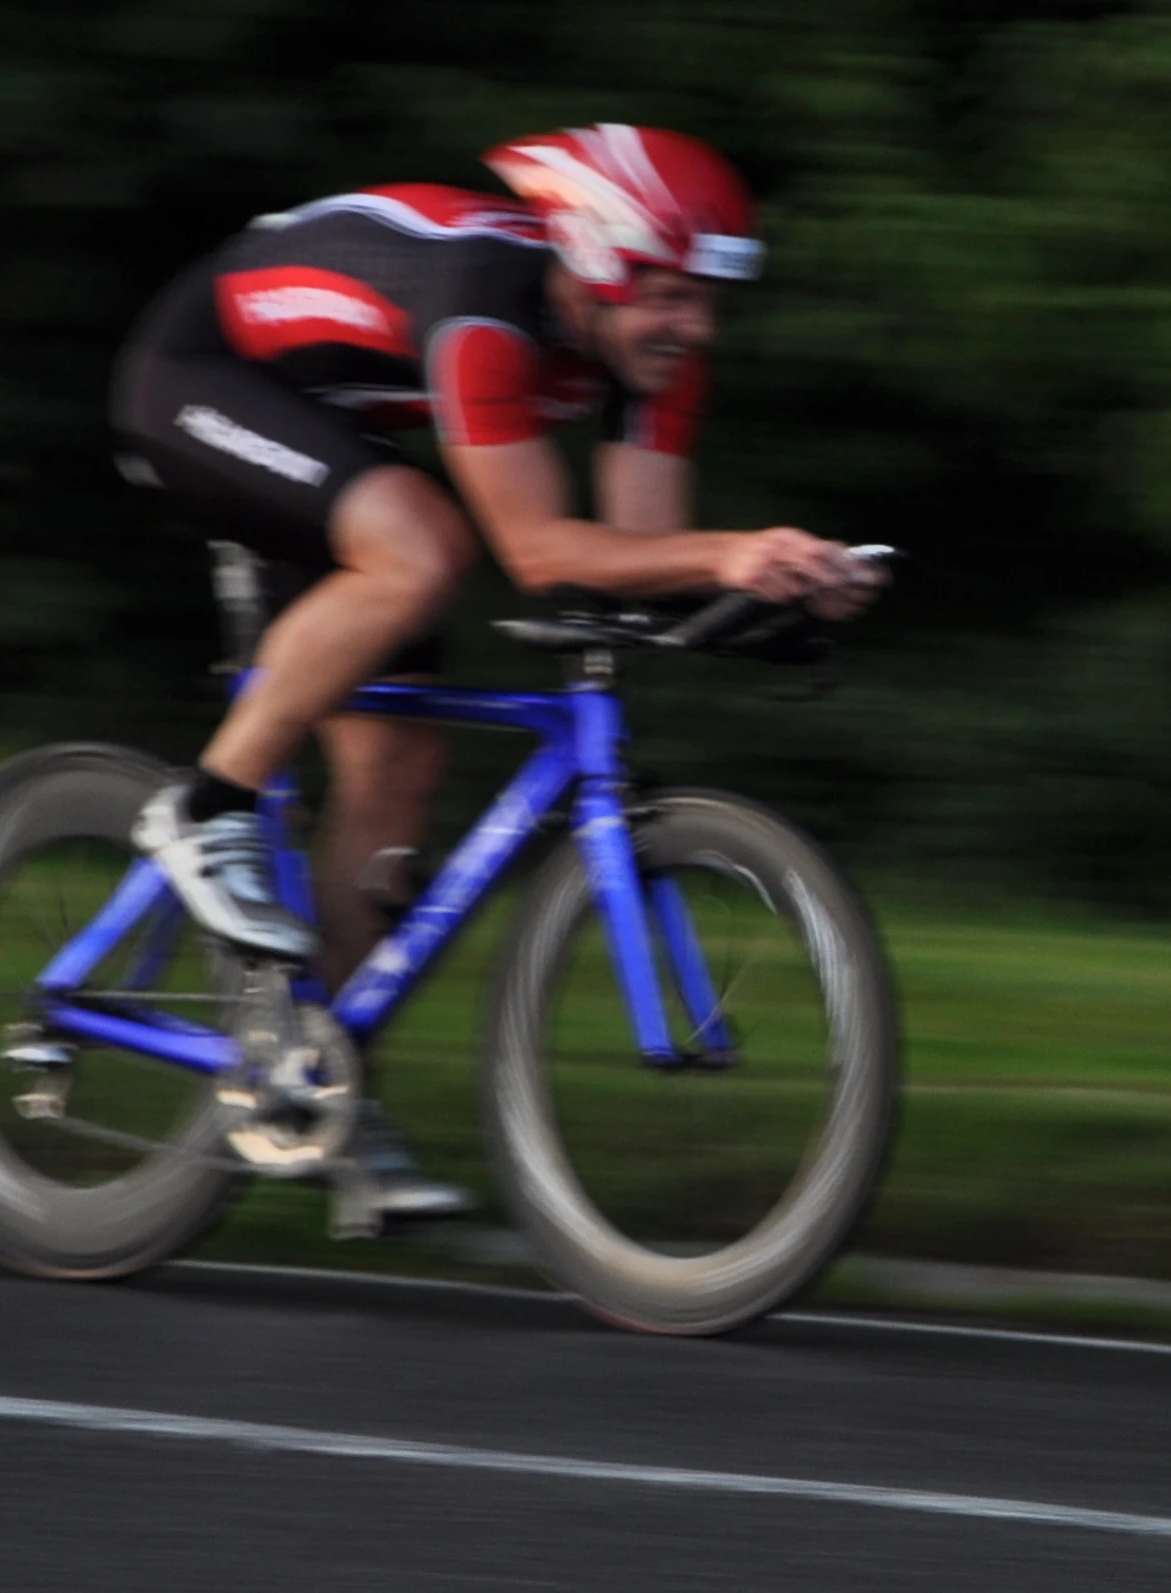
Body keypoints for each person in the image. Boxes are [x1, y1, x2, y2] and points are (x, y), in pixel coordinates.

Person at [109, 125, 881, 1207]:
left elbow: (631, 560)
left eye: (706, 300)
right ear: (599, 270)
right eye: (669, 295)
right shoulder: (483, 307)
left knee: (398, 770)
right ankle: (205, 807)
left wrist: (772, 586)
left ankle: (306, 1085)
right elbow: (537, 554)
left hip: (329, 435)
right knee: (428, 549)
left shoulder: (653, 357)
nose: (694, 326)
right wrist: (727, 553)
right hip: (199, 380)